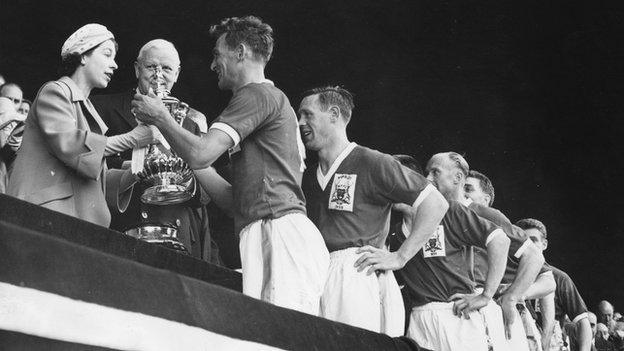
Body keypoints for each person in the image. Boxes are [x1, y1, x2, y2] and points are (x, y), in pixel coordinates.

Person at [131, 16, 329, 315]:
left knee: (274, 336)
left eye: (217, 55)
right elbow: (232, 200)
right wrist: (177, 151)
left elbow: (201, 154)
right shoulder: (272, 99)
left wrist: (161, 117)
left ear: (241, 52)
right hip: (272, 229)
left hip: (275, 231)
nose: (213, 65)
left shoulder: (256, 94)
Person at [298, 86, 447, 335]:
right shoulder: (308, 177)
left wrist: (400, 256)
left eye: (307, 114)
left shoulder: (372, 161)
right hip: (318, 274)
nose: (300, 122)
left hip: (357, 273)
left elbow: (436, 203)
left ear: (333, 114)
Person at [7, 23, 157, 227]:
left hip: (74, 223)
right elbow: (73, 146)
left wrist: (136, 172)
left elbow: (95, 181)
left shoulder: (88, 110)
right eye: (107, 54)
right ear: (83, 55)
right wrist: (133, 138)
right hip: (44, 218)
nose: (114, 65)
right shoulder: (55, 92)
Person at [92, 39, 216, 261]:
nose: (159, 74)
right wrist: (134, 168)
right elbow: (90, 165)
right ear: (137, 69)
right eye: (151, 67)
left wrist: (182, 179)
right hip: (125, 231)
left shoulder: (191, 123)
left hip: (177, 238)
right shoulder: (103, 108)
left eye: (167, 68)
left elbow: (205, 194)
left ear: (177, 74)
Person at [387, 162, 511, 351]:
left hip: (455, 314)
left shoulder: (449, 210)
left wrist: (486, 295)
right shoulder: (393, 234)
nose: (393, 189)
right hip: (419, 321)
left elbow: (500, 240)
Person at [465, 168, 557, 351]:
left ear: (485, 200)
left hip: (495, 315)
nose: (463, 194)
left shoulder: (502, 232)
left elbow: (548, 281)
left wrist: (514, 295)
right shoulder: (452, 222)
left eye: (468, 189)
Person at [517, 218, 593, 351]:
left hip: (552, 345)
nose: (528, 245)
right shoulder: (509, 275)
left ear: (544, 244)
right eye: (524, 241)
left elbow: (583, 322)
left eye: (533, 240)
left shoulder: (560, 278)